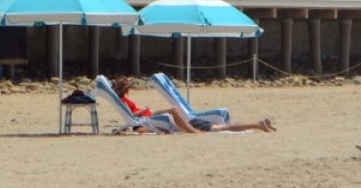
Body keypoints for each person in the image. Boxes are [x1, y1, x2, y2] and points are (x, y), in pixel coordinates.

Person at [112, 77, 275, 134]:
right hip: (187, 120)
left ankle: (257, 124)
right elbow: (137, 124)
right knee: (224, 127)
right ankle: (257, 124)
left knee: (223, 128)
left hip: (188, 120)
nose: (130, 89)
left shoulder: (125, 102)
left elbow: (137, 123)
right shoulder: (126, 104)